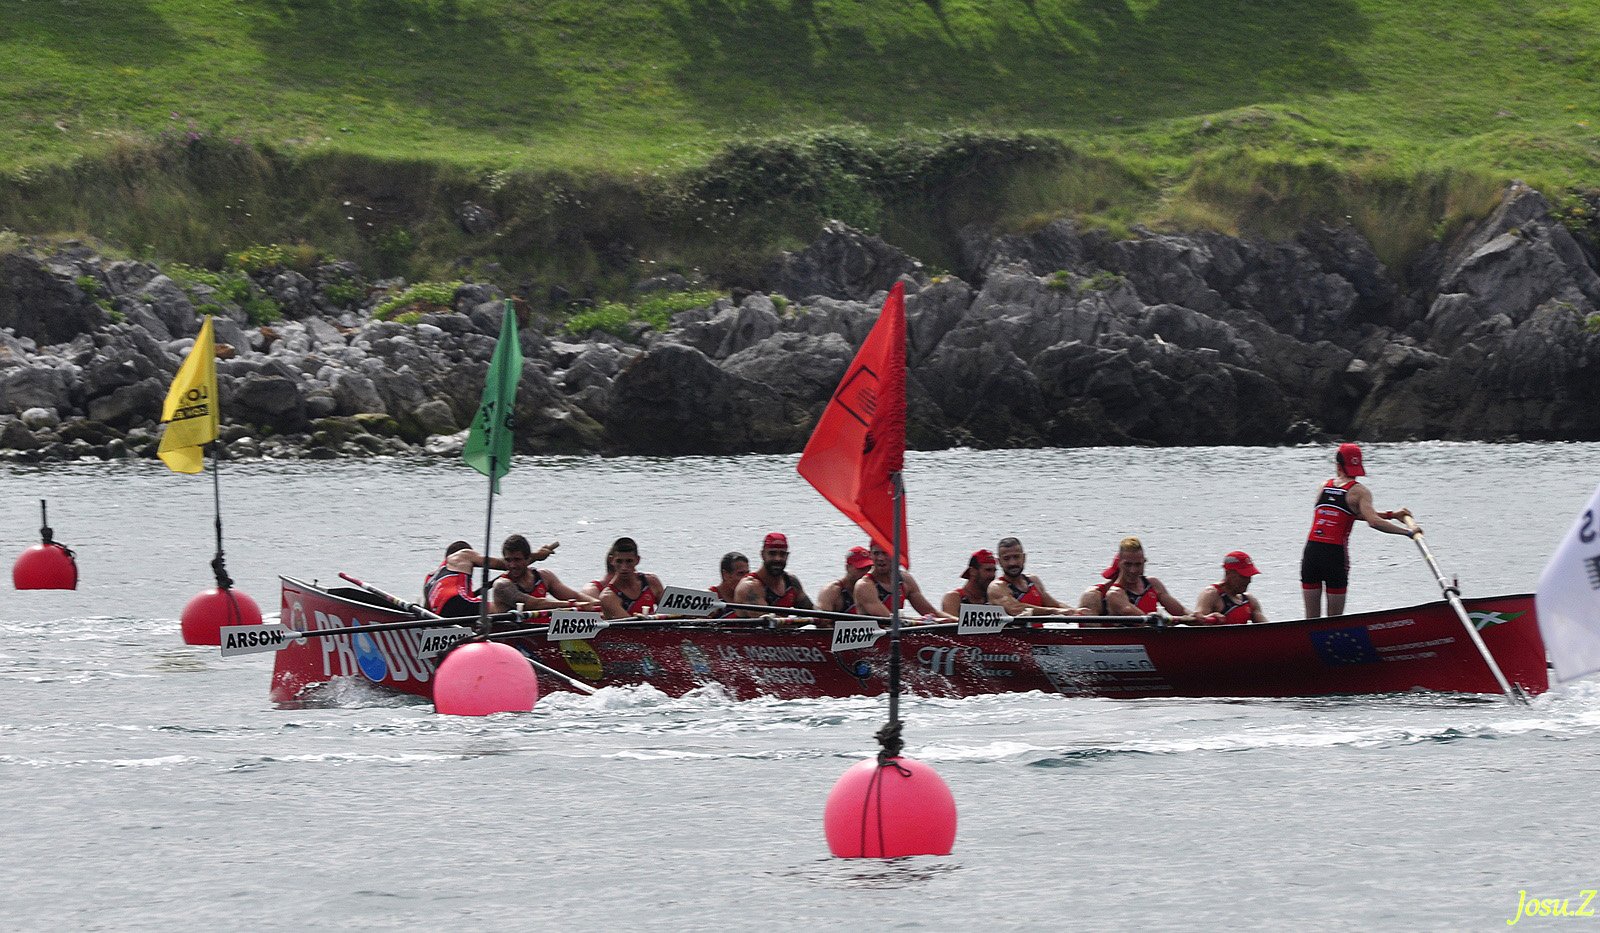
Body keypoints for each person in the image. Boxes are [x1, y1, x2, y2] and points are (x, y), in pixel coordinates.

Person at [1301, 442, 1419, 618]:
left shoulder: (1323, 486)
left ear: (1337, 464)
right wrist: (1409, 532)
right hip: (1335, 556)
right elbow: (1372, 521)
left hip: (1311, 553)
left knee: (1311, 619)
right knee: (1334, 621)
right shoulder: (1360, 492)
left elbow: (1349, 514)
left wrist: (1392, 515)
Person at [1081, 537, 1188, 618]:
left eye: (1138, 564)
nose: (1133, 570)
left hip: (1152, 633)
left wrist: (1195, 617)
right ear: (1119, 564)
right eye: (1128, 564)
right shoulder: (1114, 594)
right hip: (1133, 637)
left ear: (1144, 562)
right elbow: (1141, 620)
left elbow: (1181, 612)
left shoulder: (1153, 584)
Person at [488, 534, 598, 613]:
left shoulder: (544, 576)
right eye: (508, 560)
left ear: (528, 559)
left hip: (541, 632)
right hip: (512, 638)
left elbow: (576, 596)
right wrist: (573, 605)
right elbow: (534, 604)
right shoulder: (502, 585)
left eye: (517, 560)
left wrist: (601, 604)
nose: (512, 565)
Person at [853, 543, 955, 620]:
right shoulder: (864, 586)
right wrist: (923, 621)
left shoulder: (905, 579)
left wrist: (957, 622)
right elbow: (888, 619)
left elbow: (931, 612)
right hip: (875, 638)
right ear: (870, 555)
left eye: (885, 553)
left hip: (898, 631)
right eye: (876, 553)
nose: (880, 558)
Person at [987, 536, 1083, 617]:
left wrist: (1076, 612)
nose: (1012, 563)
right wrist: (1054, 611)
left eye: (1016, 557)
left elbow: (1055, 605)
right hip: (1013, 636)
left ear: (1024, 558)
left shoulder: (1033, 580)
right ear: (999, 562)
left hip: (1040, 635)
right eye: (1006, 559)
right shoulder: (997, 587)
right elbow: (1015, 609)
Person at [581, 537, 664, 619]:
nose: (624, 567)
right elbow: (631, 629)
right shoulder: (608, 597)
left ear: (637, 560)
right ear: (611, 560)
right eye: (619, 561)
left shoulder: (652, 582)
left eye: (629, 561)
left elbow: (673, 613)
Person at [734, 532, 814, 616]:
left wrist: (823, 618)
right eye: (772, 553)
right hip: (755, 628)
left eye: (782, 554)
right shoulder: (749, 587)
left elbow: (812, 611)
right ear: (762, 555)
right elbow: (768, 623)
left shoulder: (791, 582)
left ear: (787, 556)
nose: (777, 559)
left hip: (786, 627)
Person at [423, 540, 504, 618]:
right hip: (455, 601)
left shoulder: (430, 578)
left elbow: (427, 610)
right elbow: (500, 563)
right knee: (500, 608)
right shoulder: (463, 554)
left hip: (439, 613)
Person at [1193, 550, 1269, 625]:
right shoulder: (1211, 595)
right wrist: (1205, 619)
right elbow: (1197, 622)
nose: (1248, 581)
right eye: (1243, 576)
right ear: (1228, 573)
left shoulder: (1249, 600)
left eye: (1249, 576)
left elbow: (1267, 628)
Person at [817, 546, 873, 614]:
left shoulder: (874, 586)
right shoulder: (831, 591)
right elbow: (823, 621)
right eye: (861, 569)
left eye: (869, 568)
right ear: (847, 567)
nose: (866, 572)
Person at [941, 549, 998, 617]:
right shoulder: (954, 598)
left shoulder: (995, 597)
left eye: (994, 571)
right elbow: (950, 626)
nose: (992, 575)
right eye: (988, 570)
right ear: (972, 571)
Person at [708, 551, 749, 618]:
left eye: (747, 573)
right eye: (740, 573)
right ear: (725, 575)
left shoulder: (751, 594)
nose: (746, 578)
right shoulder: (710, 597)